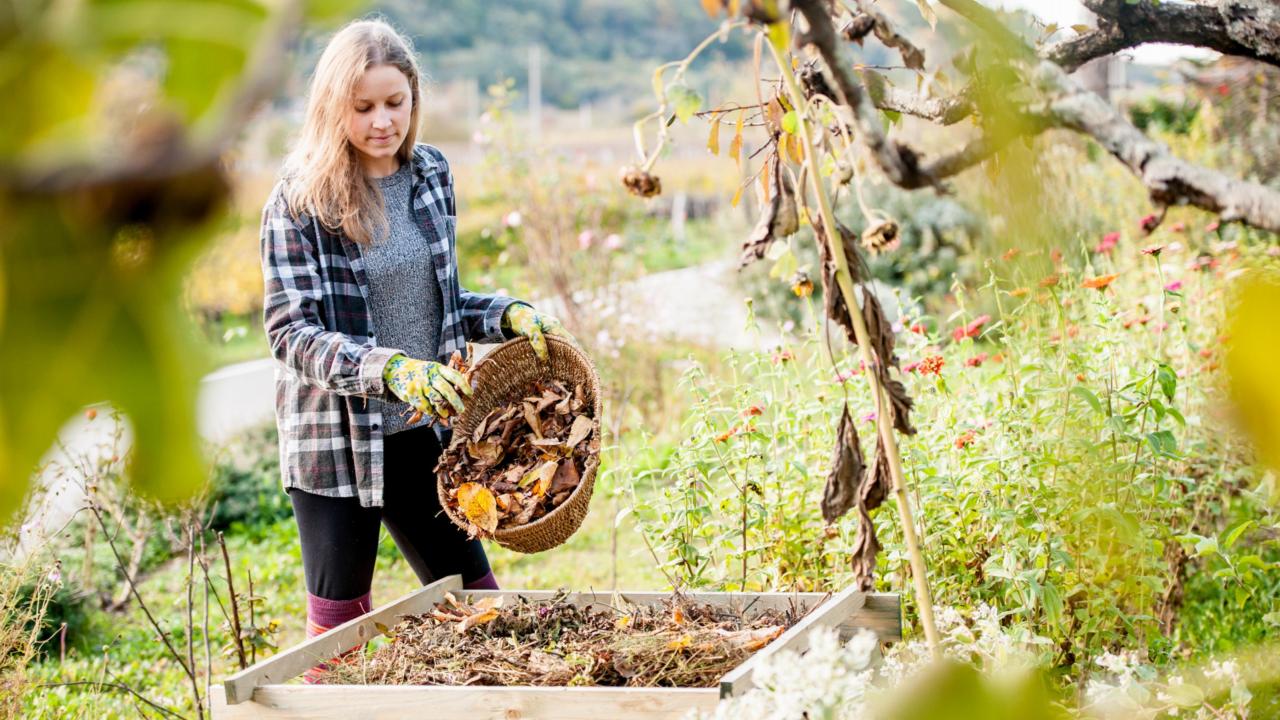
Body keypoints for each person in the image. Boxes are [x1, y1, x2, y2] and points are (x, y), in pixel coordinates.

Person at [258, 17, 576, 674]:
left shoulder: (430, 173)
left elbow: (438, 304)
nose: (383, 122)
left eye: (395, 103)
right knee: (339, 638)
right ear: (332, 106)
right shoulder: (300, 200)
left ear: (414, 98)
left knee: (480, 605)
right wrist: (389, 370)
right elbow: (291, 333)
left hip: (422, 435)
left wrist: (505, 312)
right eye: (364, 106)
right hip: (339, 448)